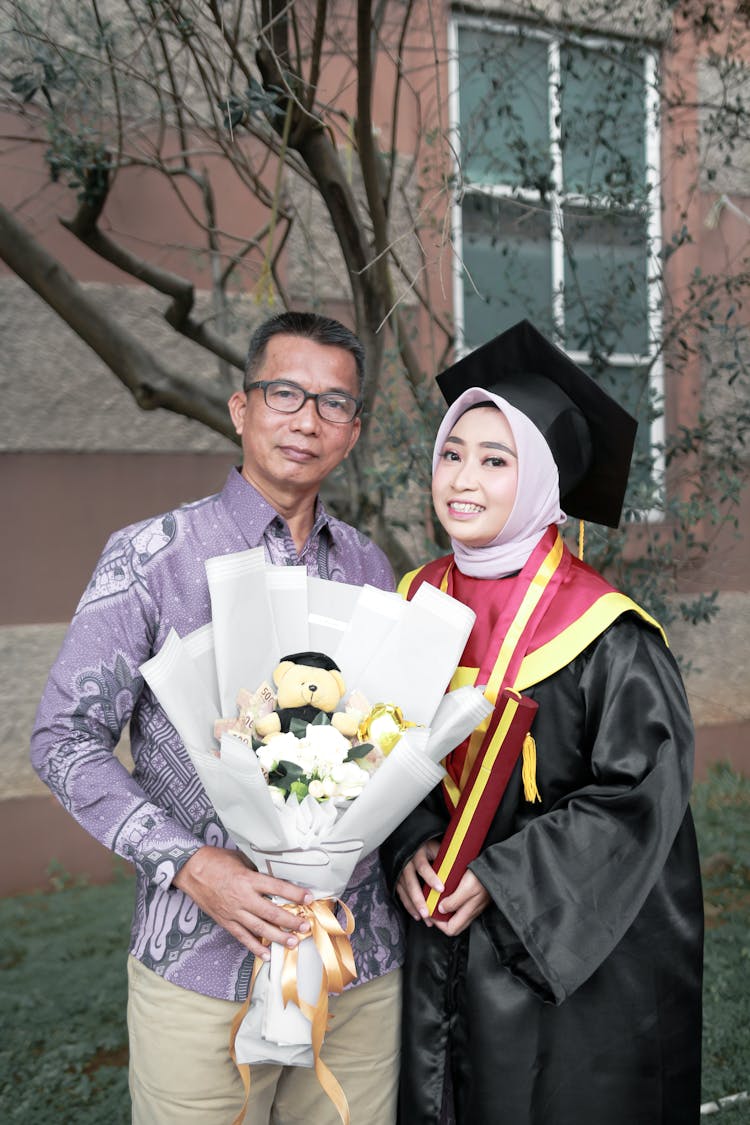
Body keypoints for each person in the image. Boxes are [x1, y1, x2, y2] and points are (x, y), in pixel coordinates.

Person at [31, 311, 404, 1125]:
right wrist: (194, 864)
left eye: (332, 403)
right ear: (241, 408)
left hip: (356, 964)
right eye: (285, 393)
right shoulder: (153, 557)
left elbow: (390, 737)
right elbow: (62, 738)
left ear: (354, 430)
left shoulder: (372, 568)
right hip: (200, 964)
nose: (307, 419)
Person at [380, 320, 703, 1125]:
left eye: (497, 461)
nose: (463, 478)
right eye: (453, 453)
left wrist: (504, 876)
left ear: (542, 485)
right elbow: (376, 748)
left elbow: (640, 800)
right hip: (437, 940)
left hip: (565, 963)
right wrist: (411, 840)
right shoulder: (413, 601)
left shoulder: (608, 633)